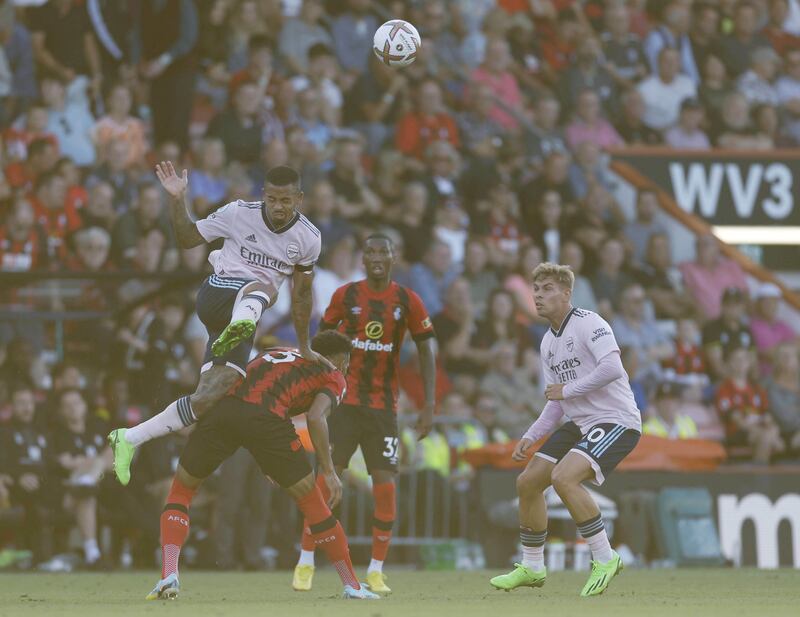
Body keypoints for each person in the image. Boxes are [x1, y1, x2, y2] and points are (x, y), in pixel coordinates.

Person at [108, 163, 330, 486]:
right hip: (217, 295)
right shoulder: (239, 212)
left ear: (299, 199)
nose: (278, 207)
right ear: (263, 196)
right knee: (265, 286)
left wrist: (305, 344)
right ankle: (241, 322)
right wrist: (176, 199)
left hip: (244, 316)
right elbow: (187, 239)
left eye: (286, 201)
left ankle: (129, 438)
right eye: (272, 199)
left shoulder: (309, 238)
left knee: (208, 396)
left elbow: (302, 295)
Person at [146, 330, 379, 601]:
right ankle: (352, 584)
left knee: (182, 491)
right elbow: (316, 417)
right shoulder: (334, 375)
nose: (347, 368)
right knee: (313, 503)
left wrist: (265, 459)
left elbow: (247, 388)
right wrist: (328, 470)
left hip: (225, 410)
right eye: (347, 363)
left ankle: (169, 575)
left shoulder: (275, 352)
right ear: (340, 361)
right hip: (267, 420)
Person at [293, 234, 437, 595]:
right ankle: (306, 561)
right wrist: (316, 389)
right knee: (326, 481)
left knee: (385, 486)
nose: (376, 257)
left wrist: (429, 404)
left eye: (382, 252)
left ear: (393, 257)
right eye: (370, 251)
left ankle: (375, 569)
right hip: (346, 402)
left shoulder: (408, 300)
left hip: (384, 409)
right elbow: (322, 344)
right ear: (363, 259)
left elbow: (426, 350)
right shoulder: (346, 296)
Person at [489, 262, 641, 597]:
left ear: (567, 293)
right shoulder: (547, 343)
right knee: (528, 482)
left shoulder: (589, 323)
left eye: (547, 289)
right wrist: (531, 435)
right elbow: (556, 402)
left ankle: (605, 557)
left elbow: (613, 367)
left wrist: (568, 391)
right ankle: (532, 566)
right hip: (579, 422)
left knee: (563, 477)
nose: (538, 296)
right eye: (536, 289)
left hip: (615, 419)